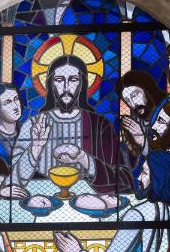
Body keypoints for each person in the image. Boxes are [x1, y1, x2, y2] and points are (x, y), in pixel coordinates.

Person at [12, 55, 131, 193]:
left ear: (82, 84)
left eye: (73, 80)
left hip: (90, 200)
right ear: (51, 84)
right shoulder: (34, 125)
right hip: (40, 200)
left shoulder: (99, 126)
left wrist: (83, 158)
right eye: (59, 80)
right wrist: (35, 148)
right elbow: (13, 182)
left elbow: (123, 179)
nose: (66, 87)